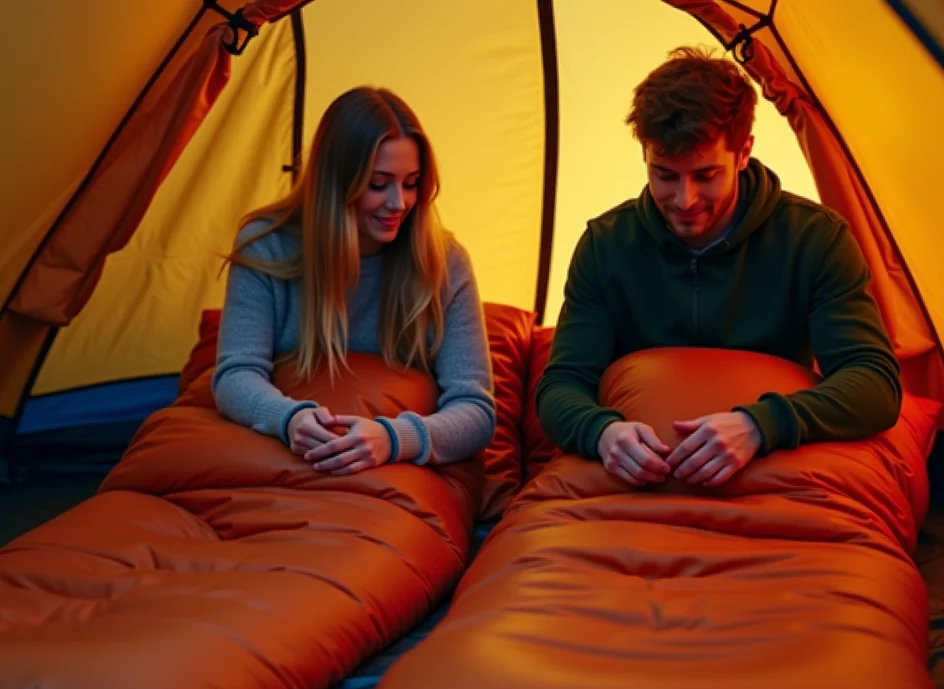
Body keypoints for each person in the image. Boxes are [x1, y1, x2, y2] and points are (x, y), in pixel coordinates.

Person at [535, 46, 901, 488]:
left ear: (743, 152)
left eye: (706, 175)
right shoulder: (606, 245)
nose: (684, 200)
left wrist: (760, 425)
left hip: (769, 482)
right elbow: (561, 386)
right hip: (639, 487)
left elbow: (875, 385)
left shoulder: (815, 239)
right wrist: (602, 432)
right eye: (664, 175)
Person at [212, 86, 496, 476]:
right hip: (284, 462)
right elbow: (235, 374)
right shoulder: (268, 246)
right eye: (378, 184)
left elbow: (476, 410)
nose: (399, 203)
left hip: (390, 474)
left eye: (411, 183)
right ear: (336, 183)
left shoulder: (444, 264)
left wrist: (393, 438)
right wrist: (290, 419)